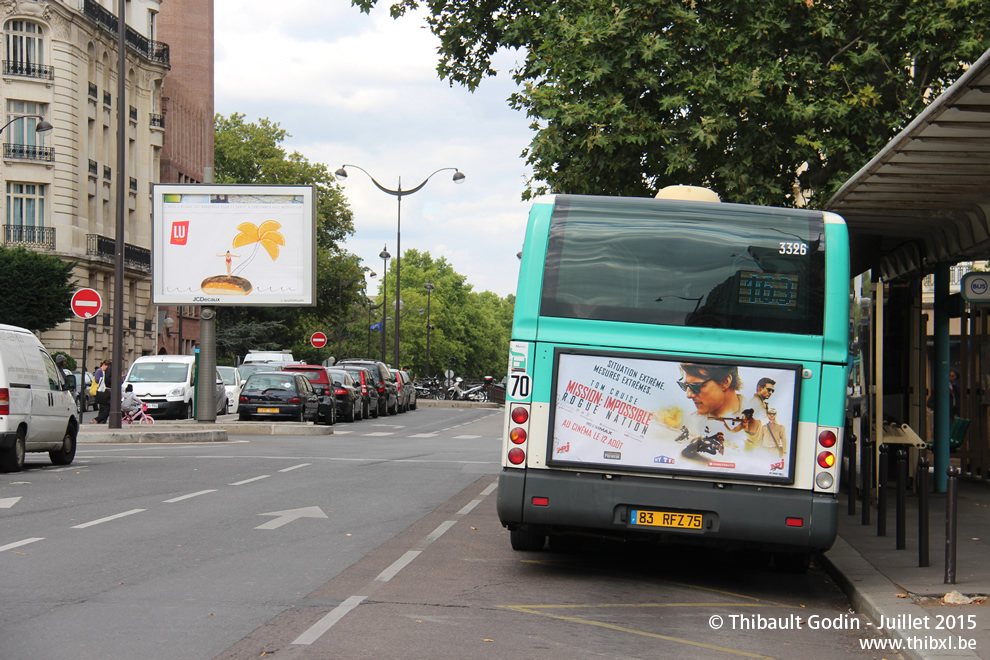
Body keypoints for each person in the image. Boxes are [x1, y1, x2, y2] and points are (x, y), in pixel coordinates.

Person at [677, 363, 744, 420]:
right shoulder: (690, 424)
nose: (689, 395)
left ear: (724, 382)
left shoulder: (753, 417)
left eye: (696, 386)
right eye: (685, 386)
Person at [93, 359, 112, 424]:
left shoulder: (104, 372)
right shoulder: (100, 371)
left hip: (103, 392)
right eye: (107, 366)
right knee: (107, 408)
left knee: (103, 409)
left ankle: (99, 420)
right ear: (104, 365)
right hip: (102, 392)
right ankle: (98, 419)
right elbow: (97, 380)